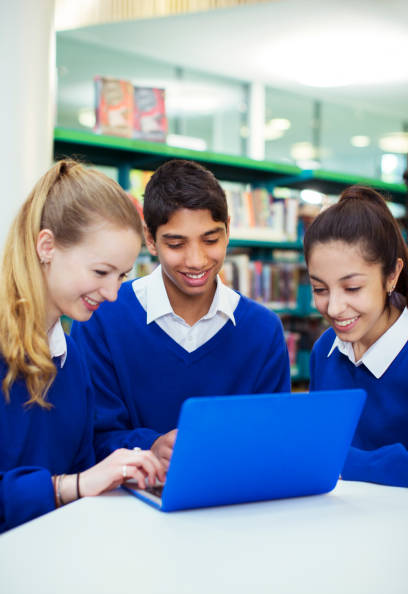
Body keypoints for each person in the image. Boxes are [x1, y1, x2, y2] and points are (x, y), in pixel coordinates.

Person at [71, 159, 290, 468]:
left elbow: (273, 438)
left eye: (211, 240)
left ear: (228, 229)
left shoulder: (263, 330)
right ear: (150, 239)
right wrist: (149, 447)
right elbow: (89, 438)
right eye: (176, 243)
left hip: (235, 502)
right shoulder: (103, 317)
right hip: (127, 506)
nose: (197, 260)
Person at [0, 160, 165, 534]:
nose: (111, 294)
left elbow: (82, 465)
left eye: (122, 276)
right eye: (100, 272)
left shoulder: (71, 360)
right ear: (47, 246)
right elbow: (73, 482)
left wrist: (125, 468)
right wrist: (71, 486)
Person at [304, 184, 408, 487]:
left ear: (392, 275)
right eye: (320, 289)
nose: (334, 308)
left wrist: (338, 462)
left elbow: (321, 456)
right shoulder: (325, 349)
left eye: (352, 288)